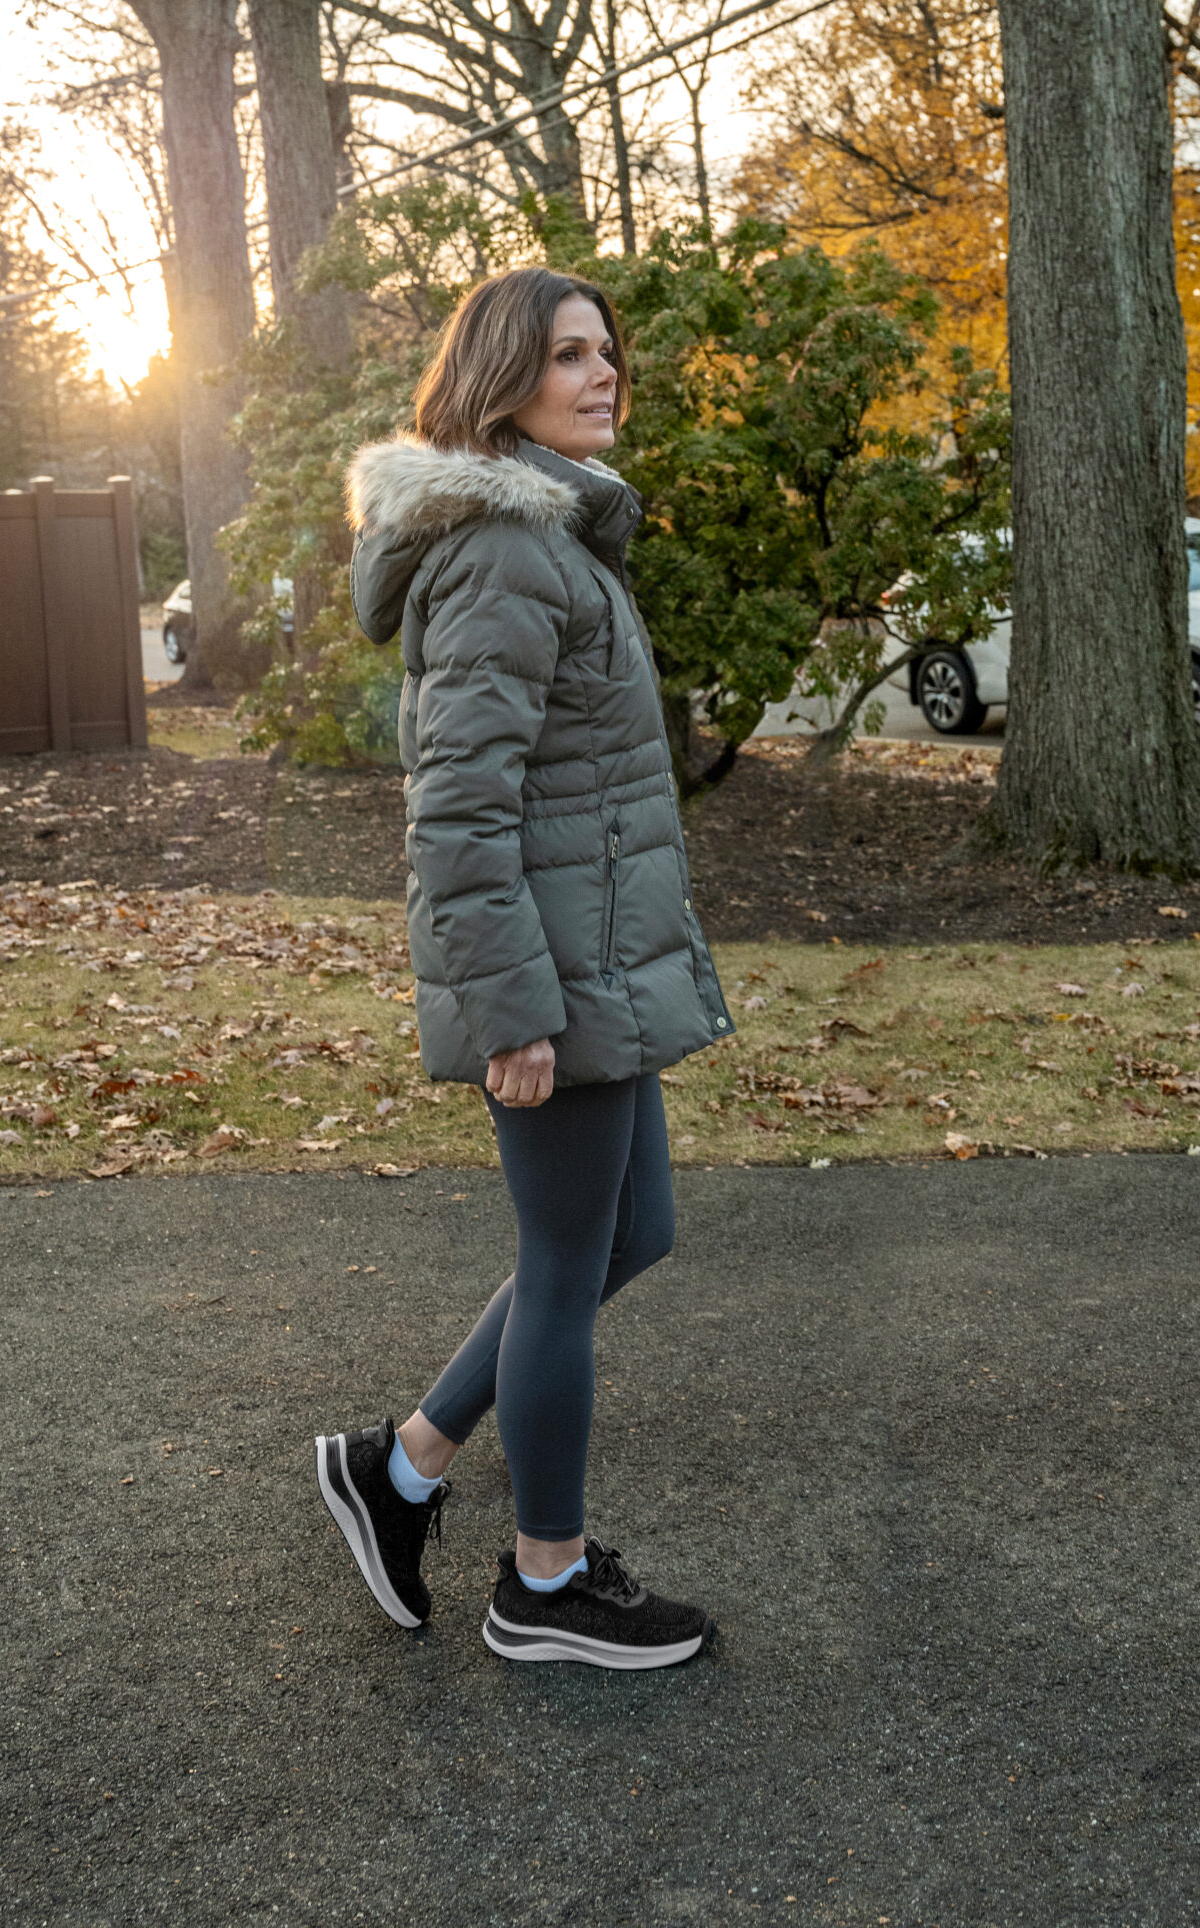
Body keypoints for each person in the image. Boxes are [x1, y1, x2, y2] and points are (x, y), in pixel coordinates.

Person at [314, 266, 733, 1669]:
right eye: (568, 356)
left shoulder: (553, 535)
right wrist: (512, 1013)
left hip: (597, 957)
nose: (603, 374)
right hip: (550, 976)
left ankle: (402, 1467)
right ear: (503, 383)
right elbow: (458, 812)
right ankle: (543, 1583)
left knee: (631, 1235)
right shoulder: (504, 551)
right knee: (564, 1265)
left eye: (607, 351)